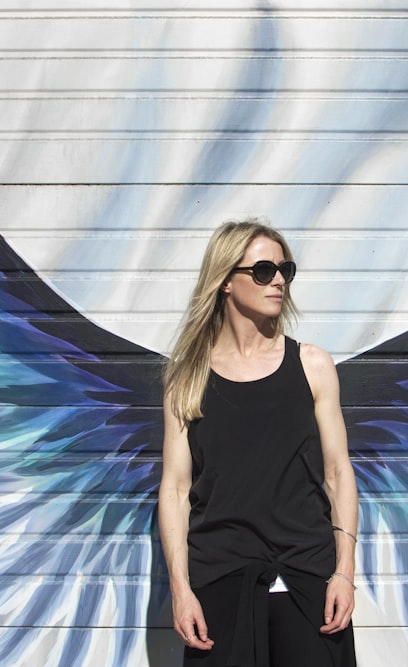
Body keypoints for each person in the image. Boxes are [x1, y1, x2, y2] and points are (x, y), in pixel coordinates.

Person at [158, 219, 359, 666]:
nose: (278, 281)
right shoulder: (186, 377)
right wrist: (181, 590)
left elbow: (338, 472)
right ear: (226, 281)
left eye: (285, 269)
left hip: (309, 589)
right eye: (264, 270)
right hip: (219, 589)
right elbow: (175, 490)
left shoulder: (312, 365)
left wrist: (344, 571)